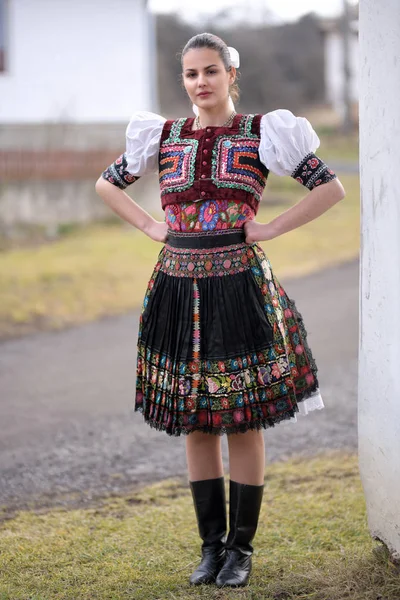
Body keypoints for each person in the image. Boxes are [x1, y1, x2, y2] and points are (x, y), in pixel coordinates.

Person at [95, 32, 345, 589]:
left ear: (232, 74)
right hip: (177, 287)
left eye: (210, 71)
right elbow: (107, 185)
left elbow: (330, 189)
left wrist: (271, 227)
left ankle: (241, 549)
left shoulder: (263, 132)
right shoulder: (163, 135)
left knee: (242, 419)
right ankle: (210, 548)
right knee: (195, 420)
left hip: (239, 286)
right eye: (191, 74)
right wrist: (152, 227)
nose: (200, 82)